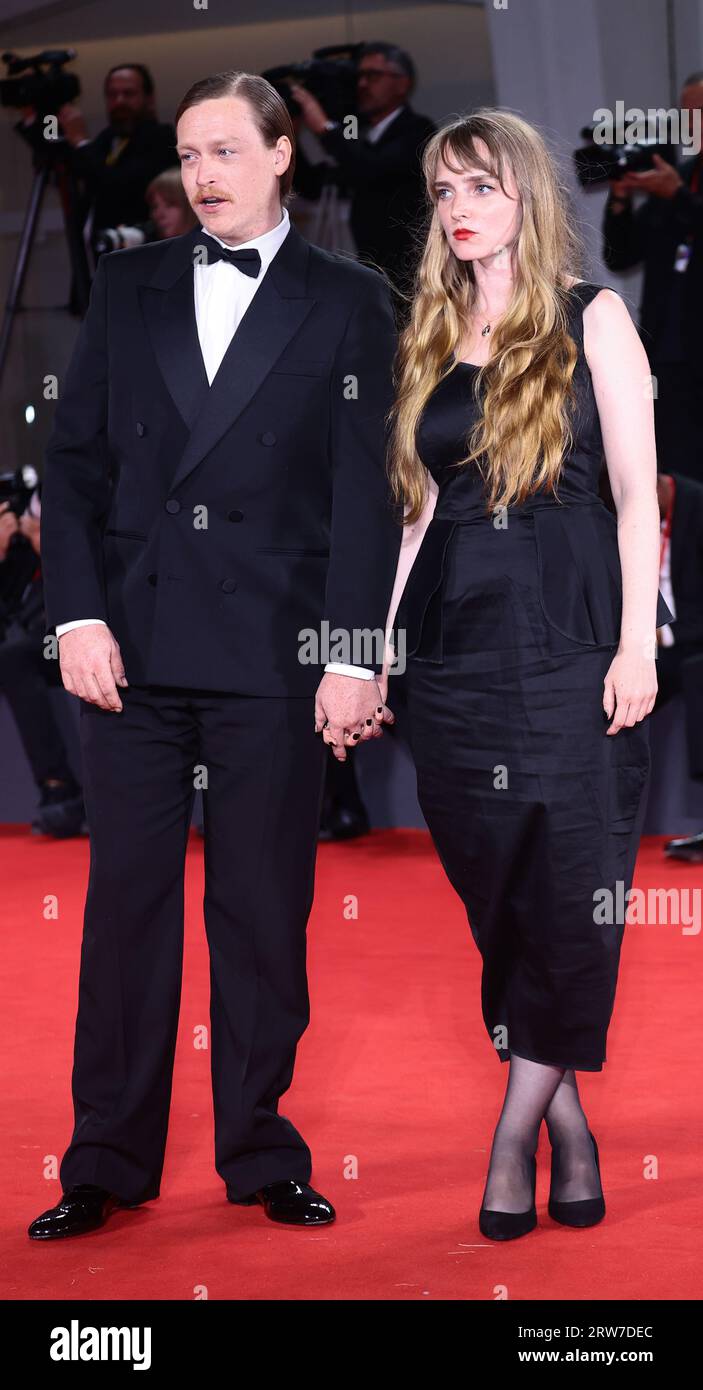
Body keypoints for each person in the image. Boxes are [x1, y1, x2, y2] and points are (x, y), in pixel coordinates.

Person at [29, 68, 401, 1241]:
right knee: (123, 912)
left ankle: (259, 1148)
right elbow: (74, 470)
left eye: (226, 152)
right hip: (129, 653)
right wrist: (74, 616)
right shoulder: (130, 283)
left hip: (274, 655)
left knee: (259, 912)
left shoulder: (350, 299)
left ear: (283, 154)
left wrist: (355, 653)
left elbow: (366, 496)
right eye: (188, 155)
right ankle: (104, 1157)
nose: (201, 175)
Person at [383, 109, 674, 1241]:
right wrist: (368, 654)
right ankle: (570, 1124)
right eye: (441, 189)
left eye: (479, 185)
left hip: (569, 644)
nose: (457, 207)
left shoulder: (592, 317)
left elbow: (642, 496)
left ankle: (514, 1134)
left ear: (525, 195)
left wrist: (639, 645)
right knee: (499, 901)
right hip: (449, 657)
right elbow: (411, 519)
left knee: (572, 897)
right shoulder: (427, 333)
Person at [602, 70, 703, 486]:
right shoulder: (677, 176)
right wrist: (621, 197)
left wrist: (677, 195)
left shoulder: (675, 186)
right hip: (667, 353)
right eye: (687, 112)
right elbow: (621, 255)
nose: (692, 121)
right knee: (677, 474)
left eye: (700, 111)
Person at [290, 43, 435, 299]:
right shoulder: (361, 138)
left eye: (373, 76)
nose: (363, 85)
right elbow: (312, 186)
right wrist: (292, 135)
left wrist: (324, 126)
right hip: (370, 275)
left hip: (405, 281)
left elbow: (369, 168)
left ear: (403, 84)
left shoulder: (418, 131)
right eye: (359, 77)